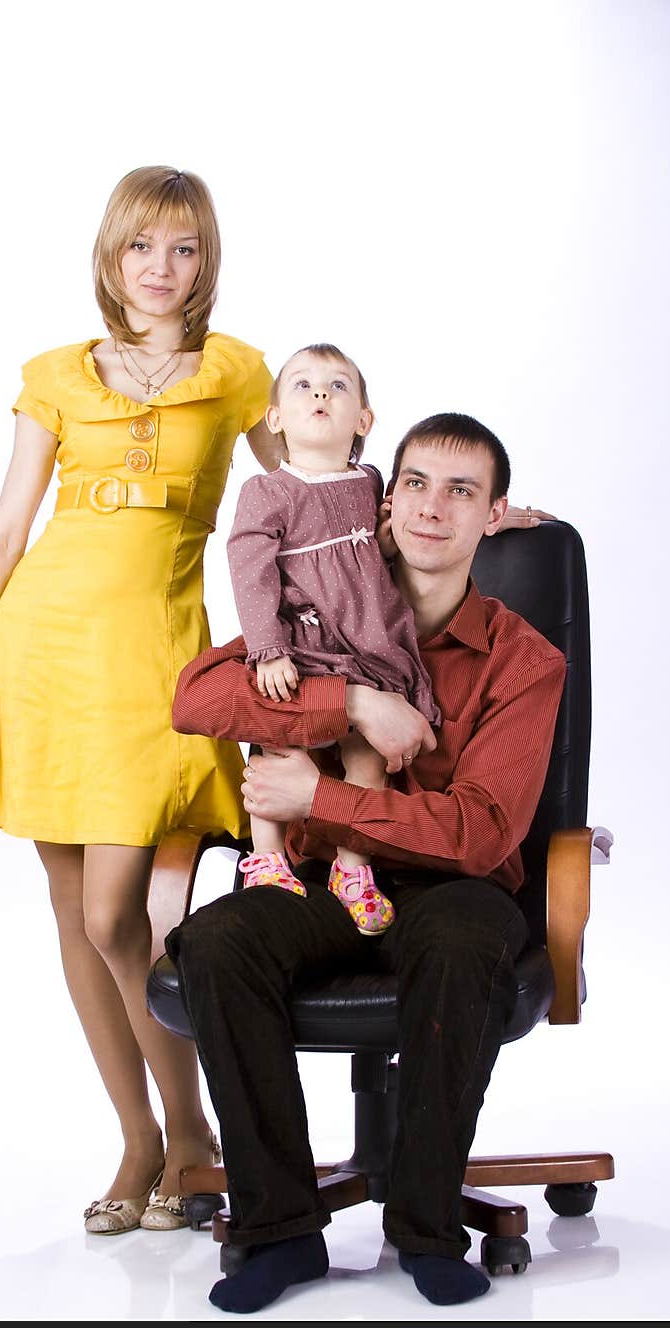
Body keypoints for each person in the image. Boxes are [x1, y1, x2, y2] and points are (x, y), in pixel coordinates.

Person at [0, 165, 283, 1235]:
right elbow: (5, 530)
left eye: (182, 249)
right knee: (70, 912)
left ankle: (190, 1129)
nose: (160, 268)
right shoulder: (55, 373)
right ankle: (143, 1135)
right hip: (39, 657)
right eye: (141, 245)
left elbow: (302, 492)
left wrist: (453, 505)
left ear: (204, 264)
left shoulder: (234, 372)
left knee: (118, 912)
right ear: (110, 255)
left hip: (154, 664)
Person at [166, 411, 567, 1311]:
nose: (434, 507)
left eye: (462, 491)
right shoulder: (320, 612)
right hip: (323, 889)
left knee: (464, 939)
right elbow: (197, 696)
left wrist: (323, 800)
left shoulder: (524, 659)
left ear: (492, 515)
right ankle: (279, 1232)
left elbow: (481, 831)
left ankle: (427, 1230)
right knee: (219, 941)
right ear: (385, 503)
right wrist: (348, 699)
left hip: (452, 889)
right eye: (417, 484)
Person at [226, 344, 441, 936]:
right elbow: (250, 570)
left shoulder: (368, 481)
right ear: (275, 419)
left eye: (337, 386)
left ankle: (353, 868)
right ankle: (266, 857)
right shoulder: (268, 491)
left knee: (366, 758)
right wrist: (267, 646)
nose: (320, 394)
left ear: (363, 422)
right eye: (302, 385)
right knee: (275, 738)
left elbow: (380, 543)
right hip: (304, 643)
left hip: (368, 639)